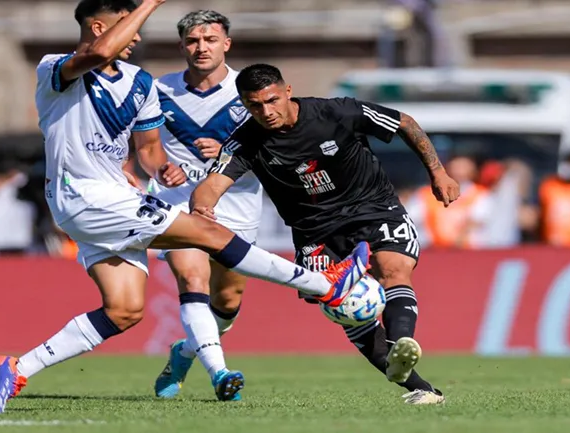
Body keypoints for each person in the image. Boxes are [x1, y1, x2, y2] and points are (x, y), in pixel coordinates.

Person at [0, 0, 370, 413]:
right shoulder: (56, 69)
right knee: (207, 236)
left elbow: (149, 149)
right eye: (128, 24)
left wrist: (162, 168)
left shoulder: (138, 81)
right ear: (99, 27)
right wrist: (150, 3)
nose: (136, 35)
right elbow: (98, 53)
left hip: (116, 197)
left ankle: (17, 367)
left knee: (124, 310)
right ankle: (326, 286)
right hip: (85, 196)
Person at [192, 64, 460, 405]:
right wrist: (202, 207)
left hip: (372, 208)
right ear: (244, 104)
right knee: (348, 311)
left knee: (393, 268)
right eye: (254, 105)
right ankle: (422, 389)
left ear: (288, 91)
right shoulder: (246, 140)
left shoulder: (337, 112)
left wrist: (438, 173)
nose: (266, 112)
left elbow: (404, 122)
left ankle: (399, 343)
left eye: (272, 100)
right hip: (314, 231)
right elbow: (211, 185)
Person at [147, 10, 262, 401]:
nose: (201, 48)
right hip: (177, 204)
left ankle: (184, 352)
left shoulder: (250, 90)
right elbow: (143, 145)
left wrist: (231, 152)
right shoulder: (158, 90)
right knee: (191, 279)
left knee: (227, 300)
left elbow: (278, 149)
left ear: (226, 44)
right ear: (182, 46)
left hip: (236, 204)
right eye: (193, 41)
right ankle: (220, 374)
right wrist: (161, 168)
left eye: (210, 40)